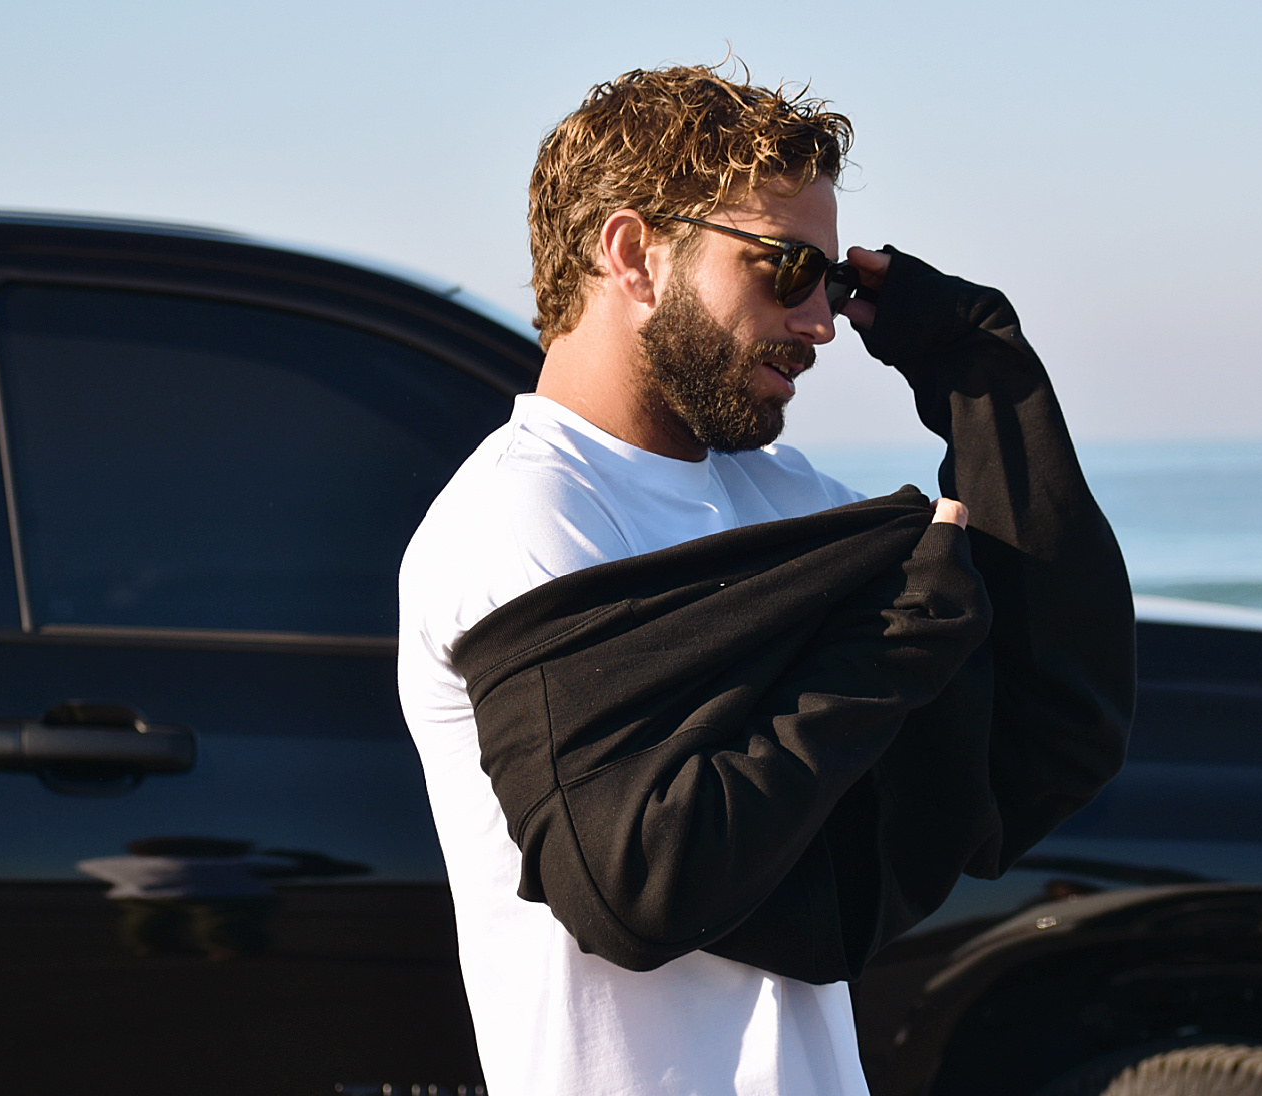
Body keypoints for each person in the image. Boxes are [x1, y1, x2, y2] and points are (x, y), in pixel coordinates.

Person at [398, 63, 1132, 1096]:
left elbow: (1048, 734)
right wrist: (885, 647)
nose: (822, 322)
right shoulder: (523, 516)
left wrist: (979, 376)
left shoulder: (794, 506)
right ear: (632, 254)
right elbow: (641, 880)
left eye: (832, 283)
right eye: (785, 268)